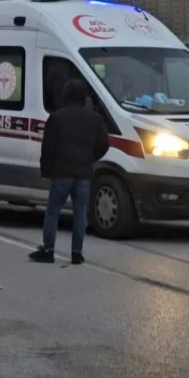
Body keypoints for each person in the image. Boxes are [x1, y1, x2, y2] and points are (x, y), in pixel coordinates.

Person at [30, 79, 110, 265]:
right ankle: (76, 253)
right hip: (83, 173)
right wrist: (91, 157)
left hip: (62, 172)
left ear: (65, 95)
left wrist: (46, 170)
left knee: (53, 212)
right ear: (83, 97)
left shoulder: (57, 118)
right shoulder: (94, 119)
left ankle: (48, 250)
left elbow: (47, 148)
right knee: (80, 213)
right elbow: (104, 143)